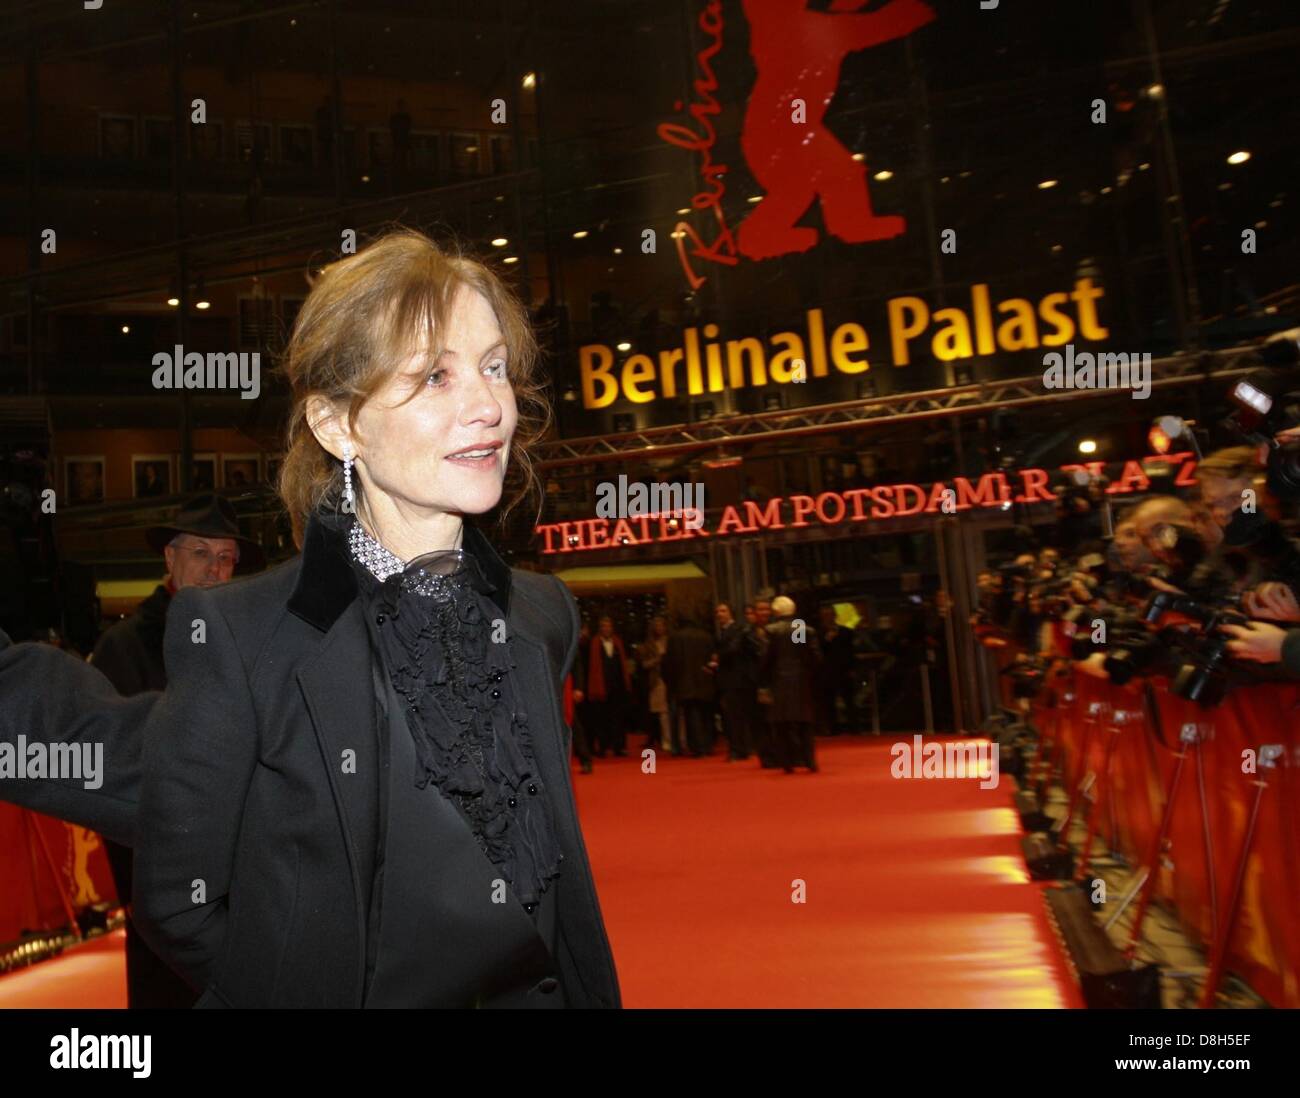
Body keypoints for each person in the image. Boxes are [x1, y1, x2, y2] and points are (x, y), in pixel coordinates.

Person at [0, 228, 620, 1008]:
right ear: (337, 426)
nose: (489, 406)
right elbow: (179, 900)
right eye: (435, 376)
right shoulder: (245, 638)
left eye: (494, 367)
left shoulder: (540, 616)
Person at [90, 493, 264, 1009]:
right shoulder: (125, 647)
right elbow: (111, 770)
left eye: (225, 558)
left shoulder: (252, 646)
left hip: (241, 875)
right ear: (170, 558)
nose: (213, 570)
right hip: (159, 875)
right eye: (199, 554)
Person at [759, 595, 820, 772]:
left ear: (776, 611)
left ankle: (787, 763)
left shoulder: (771, 630)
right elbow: (807, 655)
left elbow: (765, 658)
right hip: (800, 679)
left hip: (779, 681)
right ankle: (809, 760)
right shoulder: (798, 628)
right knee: (804, 723)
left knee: (781, 724)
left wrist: (763, 679)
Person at [663, 608, 717, 756]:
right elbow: (713, 659)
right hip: (705, 680)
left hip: (684, 682)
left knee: (691, 716)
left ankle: (697, 746)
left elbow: (670, 663)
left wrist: (670, 683)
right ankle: (707, 744)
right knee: (706, 715)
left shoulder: (675, 638)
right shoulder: (706, 636)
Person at [712, 602, 753, 760]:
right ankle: (740, 748)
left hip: (736, 679)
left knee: (735, 716)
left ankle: (739, 749)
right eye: (717, 611)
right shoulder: (722, 632)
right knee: (732, 716)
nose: (719, 614)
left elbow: (733, 650)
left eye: (723, 611)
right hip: (728, 678)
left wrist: (718, 657)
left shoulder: (737, 629)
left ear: (731, 613)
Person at [587, 616, 631, 757]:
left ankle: (619, 747)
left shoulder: (618, 642)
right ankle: (603, 747)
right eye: (604, 626)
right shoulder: (594, 643)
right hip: (600, 687)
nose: (606, 628)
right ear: (600, 628)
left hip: (617, 687)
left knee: (618, 718)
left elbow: (623, 665)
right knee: (601, 719)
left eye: (609, 626)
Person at [636, 616, 671, 754]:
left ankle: (678, 740)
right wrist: (658, 659)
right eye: (656, 626)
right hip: (657, 681)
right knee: (662, 713)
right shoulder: (648, 645)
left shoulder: (670, 641)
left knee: (675, 713)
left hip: (671, 679)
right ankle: (666, 740)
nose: (659, 628)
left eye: (661, 625)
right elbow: (644, 664)